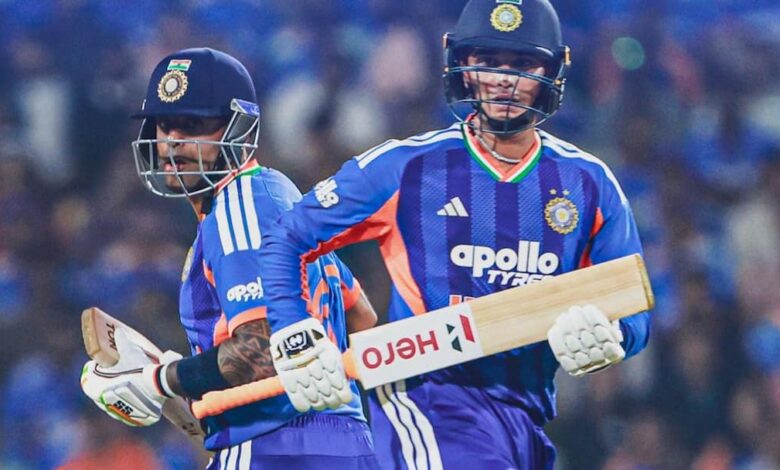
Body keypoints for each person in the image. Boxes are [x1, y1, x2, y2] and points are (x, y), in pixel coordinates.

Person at [254, 1, 651, 468]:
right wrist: (294, 330)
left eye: (522, 64)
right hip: (427, 399)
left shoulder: (590, 183)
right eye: (489, 61)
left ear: (551, 72)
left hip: (527, 419)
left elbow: (634, 303)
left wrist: (611, 336)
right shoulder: (408, 166)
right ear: (463, 66)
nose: (504, 79)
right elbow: (287, 237)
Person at [80, 47, 381, 469]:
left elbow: (262, 350)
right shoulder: (280, 197)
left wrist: (158, 380)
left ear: (238, 128)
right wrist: (195, 375)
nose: (173, 140)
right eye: (164, 124)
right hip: (348, 445)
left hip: (274, 446)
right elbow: (361, 316)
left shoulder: (240, 206)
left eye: (193, 125)